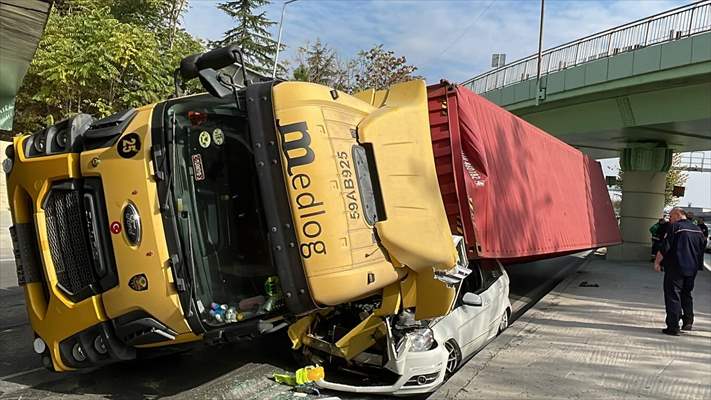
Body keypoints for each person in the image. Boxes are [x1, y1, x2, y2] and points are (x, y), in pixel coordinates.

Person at [654, 208, 705, 336]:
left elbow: (665, 247)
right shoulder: (697, 229)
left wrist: (657, 262)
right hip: (691, 269)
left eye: (670, 216)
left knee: (673, 295)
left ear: (678, 215)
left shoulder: (675, 228)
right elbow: (701, 249)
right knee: (686, 294)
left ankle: (673, 326)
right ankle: (688, 321)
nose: (669, 219)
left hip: (676, 268)